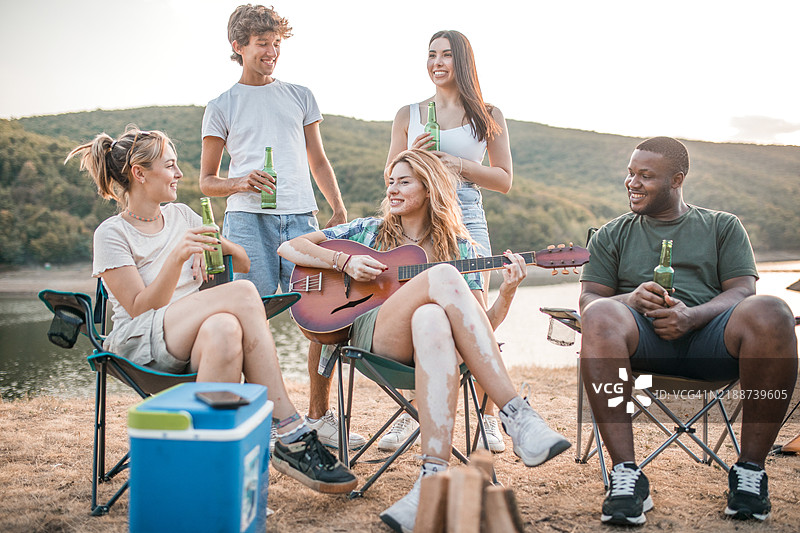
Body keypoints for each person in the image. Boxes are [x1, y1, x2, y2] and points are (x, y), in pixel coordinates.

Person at [277, 149, 569, 531]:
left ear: (429, 188)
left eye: (404, 181)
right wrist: (343, 263)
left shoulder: (460, 246)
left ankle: (431, 477)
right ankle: (516, 414)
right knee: (443, 276)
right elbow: (290, 247)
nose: (392, 189)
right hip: (376, 338)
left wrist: (508, 293)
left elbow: (481, 325)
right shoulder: (370, 230)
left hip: (437, 349)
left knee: (432, 316)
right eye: (391, 181)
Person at [67, 128, 357, 495]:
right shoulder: (112, 234)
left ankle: (207, 480)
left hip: (190, 338)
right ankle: (289, 430)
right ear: (140, 173)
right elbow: (140, 308)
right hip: (139, 342)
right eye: (170, 166)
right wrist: (177, 257)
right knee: (242, 294)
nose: (179, 174)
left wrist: (216, 249)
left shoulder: (184, 216)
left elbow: (243, 261)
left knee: (224, 327)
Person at [579, 136, 797, 525]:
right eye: (630, 173)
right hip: (641, 346)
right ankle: (626, 475)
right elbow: (588, 302)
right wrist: (630, 300)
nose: (632, 182)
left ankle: (750, 472)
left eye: (645, 175)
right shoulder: (613, 233)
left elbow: (743, 291)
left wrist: (694, 317)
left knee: (772, 310)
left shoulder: (721, 226)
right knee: (600, 314)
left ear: (676, 180)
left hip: (712, 342)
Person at [199, 4, 364, 451]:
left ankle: (319, 416)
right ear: (238, 47)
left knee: (325, 319)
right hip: (246, 220)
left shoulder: (300, 95)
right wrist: (240, 181)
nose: (272, 52)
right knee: (248, 318)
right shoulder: (221, 106)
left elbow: (318, 159)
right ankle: (252, 421)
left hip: (302, 219)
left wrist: (337, 207)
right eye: (262, 44)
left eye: (277, 44)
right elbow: (206, 181)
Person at [384, 30, 514, 453]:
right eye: (431, 55)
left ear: (463, 61)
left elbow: (504, 179)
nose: (437, 62)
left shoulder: (488, 114)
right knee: (419, 310)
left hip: (467, 217)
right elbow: (390, 175)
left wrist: (458, 164)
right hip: (417, 219)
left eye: (446, 55)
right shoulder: (410, 113)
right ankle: (415, 413)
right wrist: (414, 157)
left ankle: (490, 416)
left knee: (474, 309)